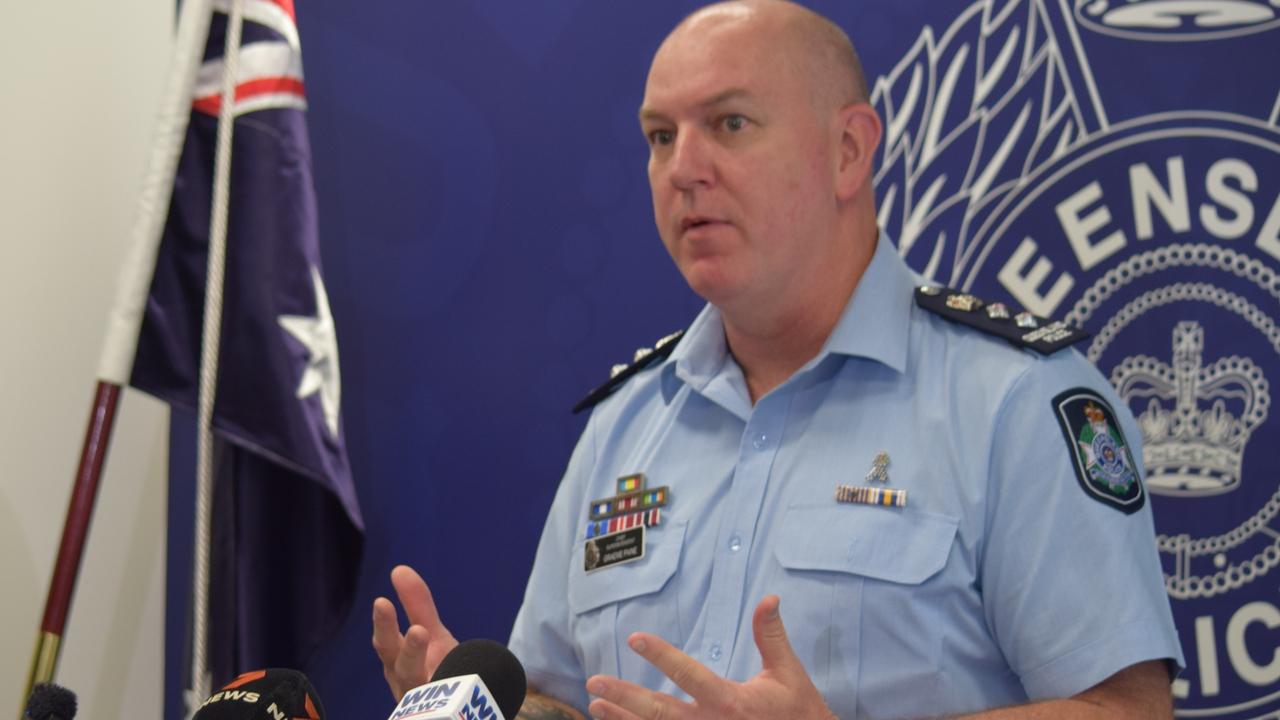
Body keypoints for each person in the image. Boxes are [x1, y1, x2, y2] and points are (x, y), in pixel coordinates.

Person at [372, 1, 1184, 718]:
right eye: (660, 136)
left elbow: (1126, 709)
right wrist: (482, 710)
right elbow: (557, 695)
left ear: (848, 150)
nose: (682, 169)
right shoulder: (624, 425)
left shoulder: (1015, 399)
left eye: (729, 124)